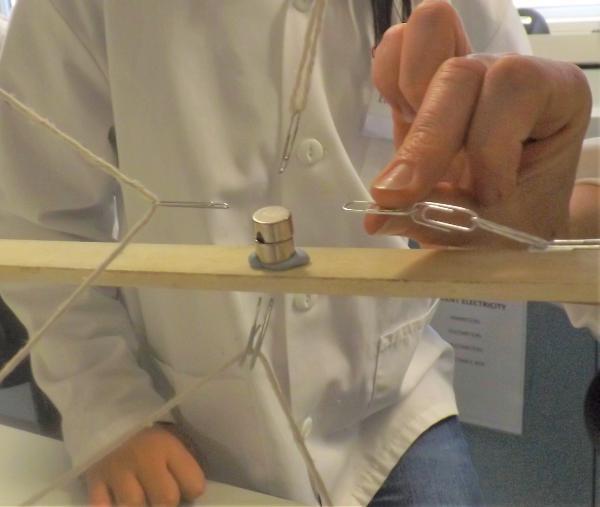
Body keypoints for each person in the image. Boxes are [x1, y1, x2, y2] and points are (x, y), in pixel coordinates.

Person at [0, 0, 582, 506]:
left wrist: (520, 207)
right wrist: (110, 409)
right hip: (183, 420)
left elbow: (537, 175)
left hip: (389, 416)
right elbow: (34, 217)